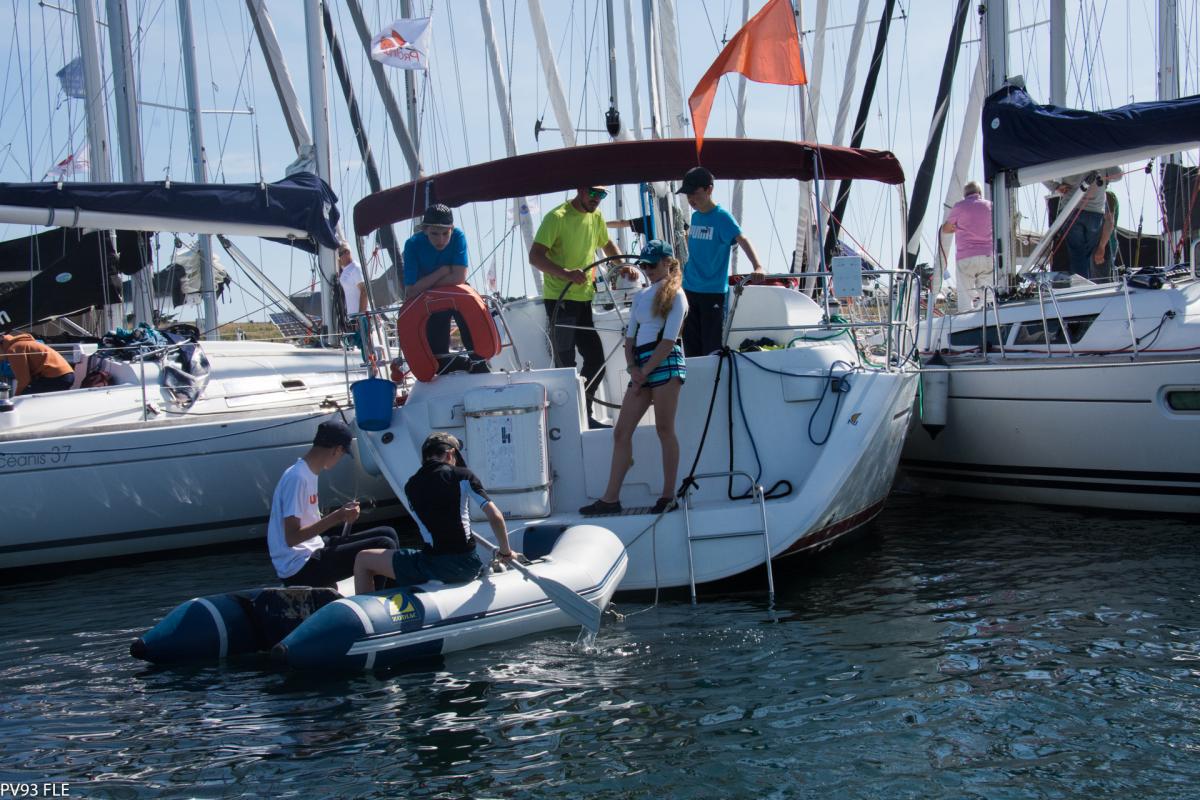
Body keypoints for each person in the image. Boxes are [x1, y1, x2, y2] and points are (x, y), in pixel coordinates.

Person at [581, 240, 688, 517]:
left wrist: (643, 372)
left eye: (652, 264)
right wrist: (633, 369)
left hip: (664, 364)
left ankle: (668, 496)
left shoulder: (678, 296)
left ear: (667, 263)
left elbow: (668, 341)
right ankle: (610, 499)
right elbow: (629, 339)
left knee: (664, 429)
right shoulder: (641, 296)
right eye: (644, 265)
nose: (648, 270)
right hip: (641, 366)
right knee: (621, 432)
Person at [353, 432, 519, 594]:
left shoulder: (411, 486)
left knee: (363, 560)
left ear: (425, 458)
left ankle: (368, 605)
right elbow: (495, 516)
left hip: (429, 565)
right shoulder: (463, 475)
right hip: (466, 566)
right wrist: (506, 552)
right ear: (450, 454)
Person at [267, 419, 399, 588]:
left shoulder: (308, 473)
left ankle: (392, 590)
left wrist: (343, 516)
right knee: (384, 544)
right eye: (343, 454)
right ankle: (379, 598)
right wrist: (338, 516)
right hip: (299, 567)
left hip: (312, 549)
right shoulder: (298, 478)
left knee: (388, 533)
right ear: (337, 450)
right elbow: (291, 538)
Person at [529, 185, 621, 429]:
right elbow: (535, 257)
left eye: (602, 194)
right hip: (560, 301)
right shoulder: (556, 217)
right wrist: (566, 273)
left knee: (596, 360)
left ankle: (584, 413)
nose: (597, 199)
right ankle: (570, 421)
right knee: (565, 363)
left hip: (584, 300)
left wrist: (623, 266)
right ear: (580, 190)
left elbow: (607, 245)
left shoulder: (596, 216)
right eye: (593, 193)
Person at [676, 167, 764, 357]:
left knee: (711, 348)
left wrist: (757, 266)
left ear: (709, 189)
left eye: (694, 193)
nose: (691, 199)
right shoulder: (695, 216)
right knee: (691, 347)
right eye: (687, 195)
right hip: (689, 289)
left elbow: (743, 239)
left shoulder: (722, 217)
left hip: (712, 293)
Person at [403, 204, 476, 368]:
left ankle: (478, 361)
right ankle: (462, 364)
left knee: (468, 305)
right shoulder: (412, 245)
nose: (441, 240)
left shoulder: (458, 236)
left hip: (455, 295)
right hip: (432, 301)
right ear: (425, 230)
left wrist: (425, 283)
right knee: (439, 358)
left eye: (445, 233)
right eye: (434, 234)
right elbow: (411, 291)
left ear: (452, 229)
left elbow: (459, 278)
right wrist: (443, 271)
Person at [1046, 166, 1123, 280]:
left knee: (1077, 253)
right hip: (1095, 213)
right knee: (1090, 253)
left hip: (1071, 210)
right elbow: (1118, 174)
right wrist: (1105, 175)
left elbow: (1039, 172)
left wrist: (1055, 187)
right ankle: (1090, 283)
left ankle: (1081, 284)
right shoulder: (1101, 159)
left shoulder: (1064, 158)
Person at [940, 181, 994, 312]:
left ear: (965, 195)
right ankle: (990, 314)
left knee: (965, 295)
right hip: (987, 255)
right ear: (979, 193)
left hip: (966, 257)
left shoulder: (959, 206)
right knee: (988, 295)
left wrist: (958, 227)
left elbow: (945, 229)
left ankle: (965, 316)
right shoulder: (990, 205)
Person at [0, 332, 74, 395]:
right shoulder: (22, 343)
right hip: (66, 374)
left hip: (56, 377)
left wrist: (15, 399)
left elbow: (24, 381)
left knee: (26, 398)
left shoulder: (14, 350)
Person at [337, 243, 368, 324]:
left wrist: (360, 317)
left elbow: (364, 291)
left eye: (339, 255)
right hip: (352, 318)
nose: (338, 258)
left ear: (347, 252)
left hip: (360, 318)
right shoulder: (345, 270)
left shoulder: (355, 268)